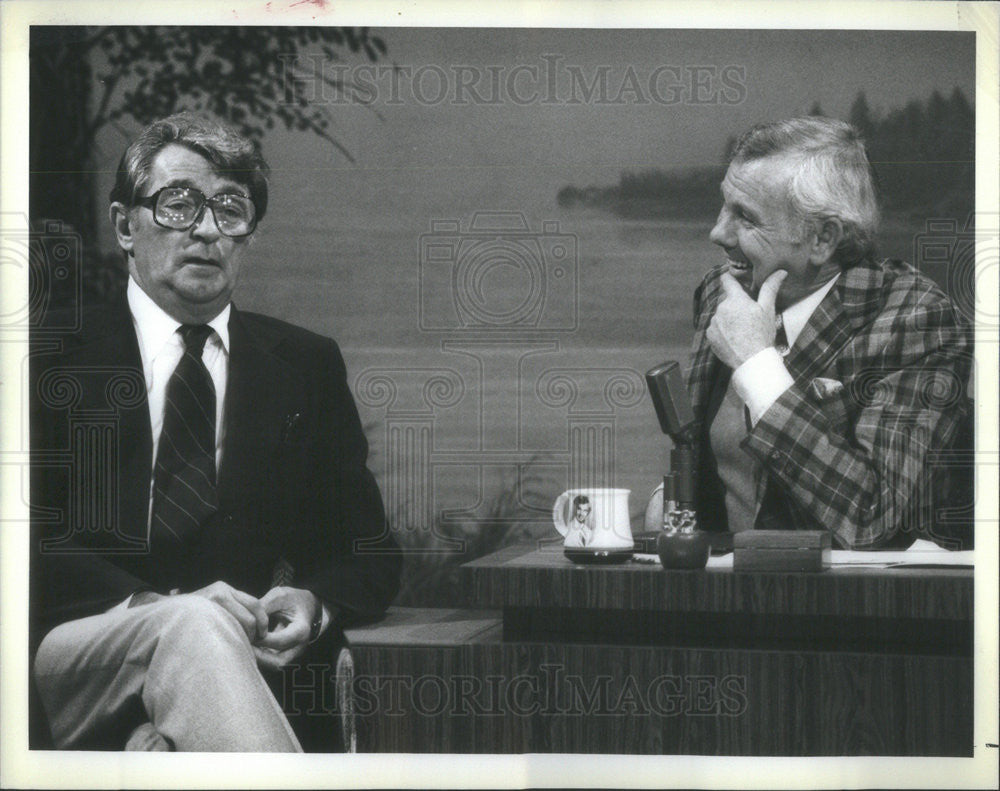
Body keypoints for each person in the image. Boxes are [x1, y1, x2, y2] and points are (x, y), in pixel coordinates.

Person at [29, 113, 401, 751]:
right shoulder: (44, 357)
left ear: (248, 234)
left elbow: (367, 550)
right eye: (178, 205)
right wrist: (158, 603)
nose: (205, 229)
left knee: (195, 652)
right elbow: (20, 540)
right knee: (194, 623)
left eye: (230, 209)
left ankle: (153, 741)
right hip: (71, 648)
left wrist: (314, 603)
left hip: (233, 661)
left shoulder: (303, 365)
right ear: (125, 225)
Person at [647, 116, 972, 550]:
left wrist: (757, 365)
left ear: (822, 238)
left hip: (856, 608)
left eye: (745, 216)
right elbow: (713, 467)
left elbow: (871, 519)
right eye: (725, 205)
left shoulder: (917, 320)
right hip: (725, 598)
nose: (717, 232)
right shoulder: (721, 293)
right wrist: (667, 501)